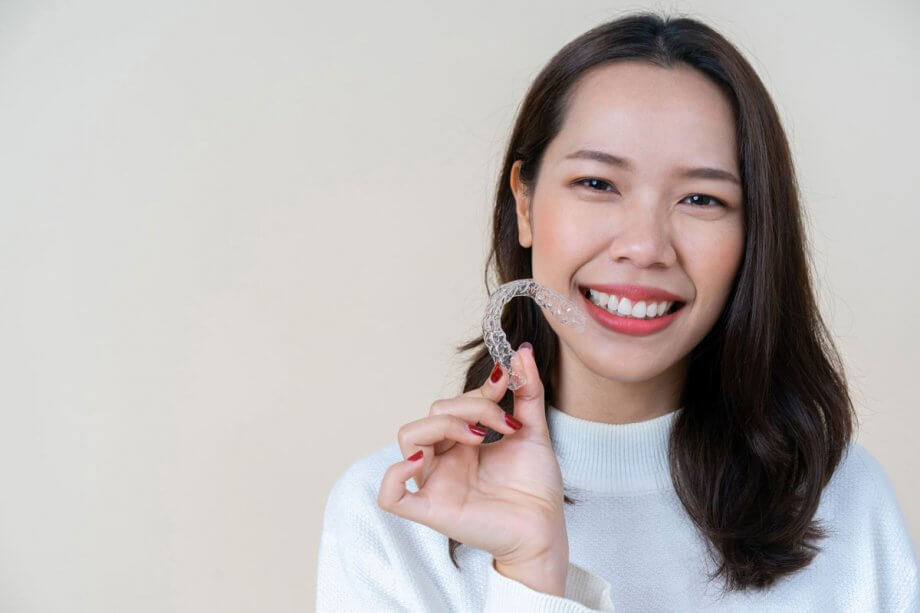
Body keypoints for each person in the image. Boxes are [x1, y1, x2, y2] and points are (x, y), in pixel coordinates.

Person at [315, 11, 920, 612]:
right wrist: (529, 575)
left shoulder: (842, 503)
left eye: (702, 198)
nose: (645, 247)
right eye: (598, 184)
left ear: (754, 234)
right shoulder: (395, 515)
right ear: (524, 203)